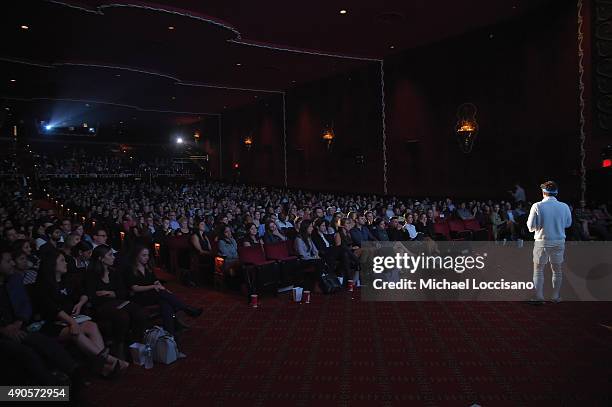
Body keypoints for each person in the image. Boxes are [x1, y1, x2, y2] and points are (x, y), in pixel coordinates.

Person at [35, 249, 128, 377]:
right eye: (62, 261)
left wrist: (80, 303)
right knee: (76, 331)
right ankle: (110, 360)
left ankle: (101, 366)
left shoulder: (65, 280)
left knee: (92, 326)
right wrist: (71, 322)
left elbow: (82, 294)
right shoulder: (43, 285)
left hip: (71, 318)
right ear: (52, 265)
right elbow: (52, 309)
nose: (66, 263)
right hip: (52, 323)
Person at [86, 245, 150, 358]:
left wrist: (110, 293)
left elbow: (123, 291)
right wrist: (110, 294)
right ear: (101, 259)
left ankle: (136, 344)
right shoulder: (92, 275)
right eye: (110, 255)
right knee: (122, 316)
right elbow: (94, 296)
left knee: (139, 311)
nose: (113, 257)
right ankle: (119, 347)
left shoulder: (114, 272)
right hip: (102, 306)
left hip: (118, 301)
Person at [124, 246, 202, 335]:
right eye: (144, 255)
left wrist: (163, 289)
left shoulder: (147, 268)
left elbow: (155, 281)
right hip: (139, 297)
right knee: (164, 297)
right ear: (137, 256)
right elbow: (135, 288)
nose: (147, 257)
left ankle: (170, 333)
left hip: (153, 294)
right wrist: (153, 286)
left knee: (166, 304)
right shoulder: (130, 269)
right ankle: (186, 309)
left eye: (148, 255)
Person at [526, 181, 572, 304]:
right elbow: (568, 224)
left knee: (538, 270)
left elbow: (530, 227)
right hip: (559, 242)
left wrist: (540, 226)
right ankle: (555, 296)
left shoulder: (537, 206)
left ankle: (539, 297)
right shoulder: (564, 206)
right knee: (557, 270)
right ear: (556, 193)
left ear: (543, 192)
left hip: (542, 242)